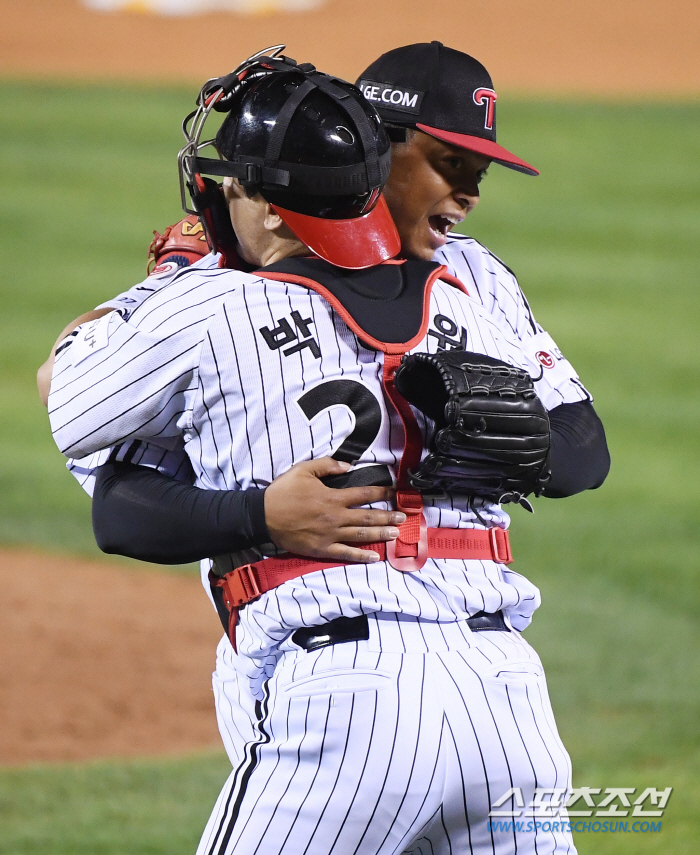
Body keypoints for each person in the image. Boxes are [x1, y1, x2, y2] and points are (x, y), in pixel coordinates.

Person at [47, 47, 590, 854]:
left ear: (268, 206)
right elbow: (579, 452)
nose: (469, 192)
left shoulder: (212, 308)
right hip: (506, 698)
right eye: (450, 162)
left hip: (346, 696)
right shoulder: (466, 304)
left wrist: (163, 284)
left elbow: (70, 395)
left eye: (235, 184)